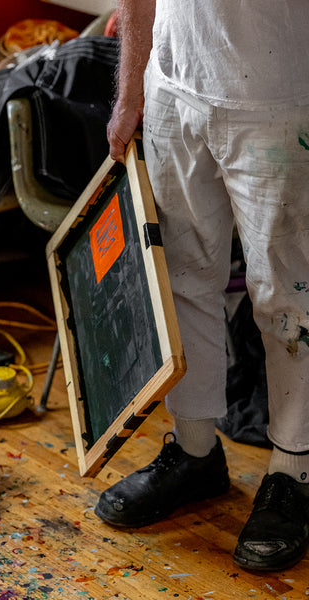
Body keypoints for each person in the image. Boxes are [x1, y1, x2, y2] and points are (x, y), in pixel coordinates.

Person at [94, 0, 309, 572]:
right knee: (180, 282)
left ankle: (295, 474)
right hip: (172, 87)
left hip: (282, 99)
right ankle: (194, 452)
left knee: (289, 303)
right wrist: (132, 90)